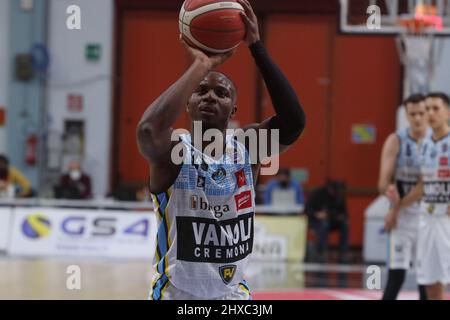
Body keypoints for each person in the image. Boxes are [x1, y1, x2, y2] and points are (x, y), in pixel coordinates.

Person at [136, 0, 305, 300]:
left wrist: (257, 47)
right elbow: (148, 130)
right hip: (177, 295)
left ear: (233, 107)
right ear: (187, 102)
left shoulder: (248, 148)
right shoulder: (175, 153)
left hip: (232, 297)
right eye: (200, 91)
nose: (210, 96)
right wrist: (202, 64)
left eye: (221, 92)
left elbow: (294, 122)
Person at [389, 92, 450, 300]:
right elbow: (423, 186)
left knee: (444, 279)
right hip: (426, 219)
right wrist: (397, 205)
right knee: (430, 283)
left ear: (447, 112)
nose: (430, 114)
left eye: (436, 109)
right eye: (429, 109)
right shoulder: (425, 144)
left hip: (446, 221)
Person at [379, 94, 430, 300]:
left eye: (422, 113)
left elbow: (423, 187)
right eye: (413, 114)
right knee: (396, 275)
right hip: (402, 217)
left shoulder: (436, 142)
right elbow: (382, 182)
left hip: (428, 214)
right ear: (406, 115)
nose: (418, 118)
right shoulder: (396, 140)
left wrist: (395, 207)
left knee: (426, 276)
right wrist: (390, 194)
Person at [305, 180, 349, 263]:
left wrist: (340, 217)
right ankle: (320, 251)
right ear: (330, 189)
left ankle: (343, 252)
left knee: (345, 224)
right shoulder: (318, 194)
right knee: (324, 224)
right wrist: (317, 214)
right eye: (335, 191)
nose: (337, 194)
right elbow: (307, 210)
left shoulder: (339, 196)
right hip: (316, 221)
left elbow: (345, 214)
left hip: (332, 220)